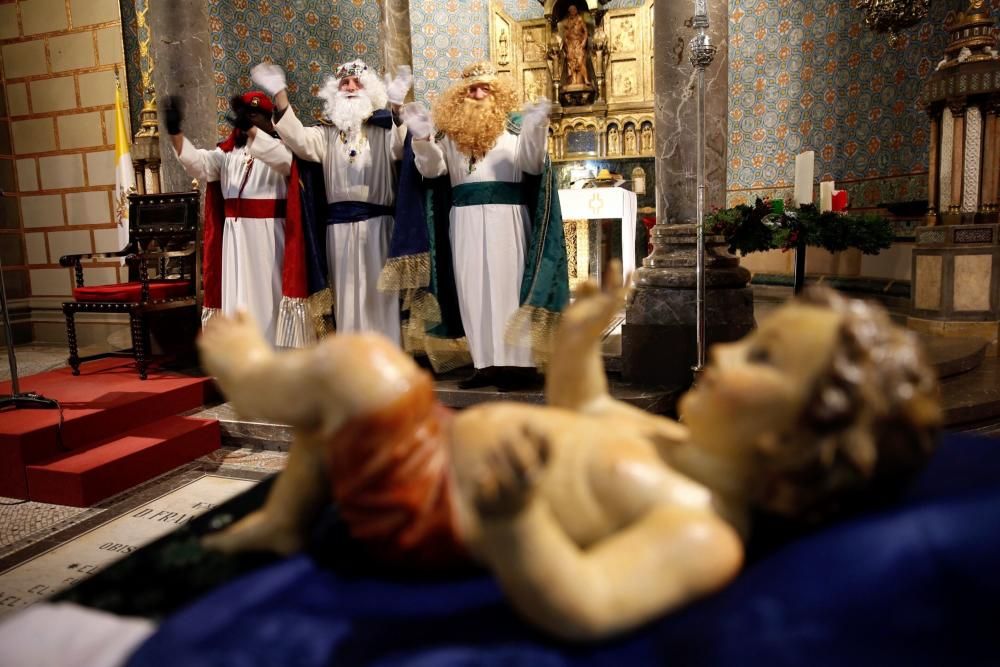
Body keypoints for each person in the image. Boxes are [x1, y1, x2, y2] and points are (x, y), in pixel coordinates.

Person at [198, 275, 940, 641]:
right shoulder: (675, 445)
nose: (722, 349)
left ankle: (252, 377)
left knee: (366, 368)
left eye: (761, 356)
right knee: (362, 407)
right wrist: (582, 341)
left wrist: (515, 520)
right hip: (433, 456)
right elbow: (583, 407)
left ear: (786, 439)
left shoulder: (700, 530)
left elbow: (589, 601)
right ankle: (286, 520)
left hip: (435, 510)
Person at [394, 61, 569, 389]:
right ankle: (484, 362)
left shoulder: (515, 128)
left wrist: (536, 126)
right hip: (464, 222)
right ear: (460, 96)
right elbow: (433, 172)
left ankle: (520, 366)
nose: (477, 94)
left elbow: (532, 165)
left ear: (497, 94)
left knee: (508, 289)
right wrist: (421, 140)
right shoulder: (449, 134)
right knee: (472, 290)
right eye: (470, 89)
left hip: (509, 218)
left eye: (484, 88)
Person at [249, 59, 412, 344]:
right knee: (346, 295)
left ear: (369, 89)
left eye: (356, 82)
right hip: (337, 231)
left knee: (381, 296)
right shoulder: (325, 133)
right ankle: (351, 363)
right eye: (344, 83)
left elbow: (401, 149)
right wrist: (280, 94)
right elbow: (297, 139)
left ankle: (387, 359)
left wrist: (397, 108)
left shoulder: (384, 129)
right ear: (334, 92)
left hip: (379, 227)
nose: (349, 87)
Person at [164, 91, 306, 346]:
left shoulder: (282, 149)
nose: (247, 121)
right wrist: (176, 132)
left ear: (268, 119)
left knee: (266, 296)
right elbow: (197, 164)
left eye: (253, 116)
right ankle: (240, 357)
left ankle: (272, 354)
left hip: (269, 237)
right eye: (244, 116)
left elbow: (281, 160)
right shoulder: (226, 154)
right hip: (234, 239)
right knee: (237, 296)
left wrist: (251, 132)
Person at [561, 5, 590, 87]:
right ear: (569, 12)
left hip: (578, 43)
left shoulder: (580, 19)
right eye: (571, 10)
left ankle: (586, 79)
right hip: (570, 44)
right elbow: (565, 34)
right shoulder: (567, 22)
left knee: (580, 62)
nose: (573, 11)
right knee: (572, 63)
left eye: (574, 10)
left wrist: (584, 41)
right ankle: (573, 80)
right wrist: (566, 43)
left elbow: (586, 31)